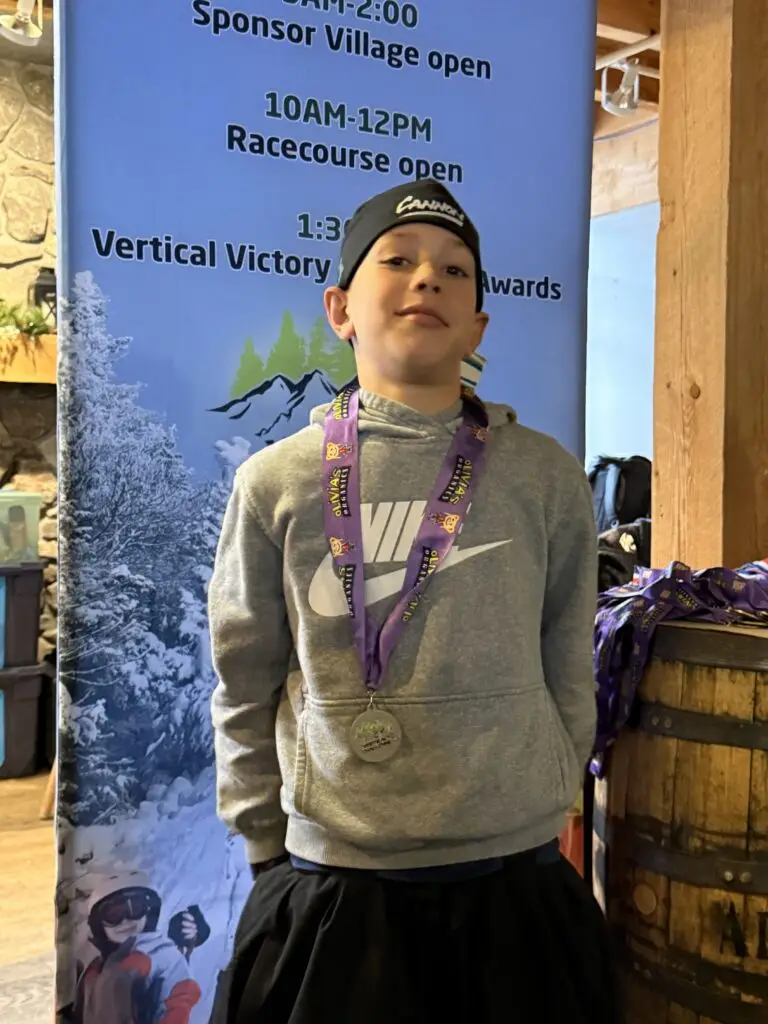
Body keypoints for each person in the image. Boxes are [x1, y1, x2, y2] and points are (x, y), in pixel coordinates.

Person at [207, 180, 622, 1023]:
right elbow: (243, 675)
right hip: (335, 884)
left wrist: (548, 780)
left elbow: (566, 653)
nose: (427, 278)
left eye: (454, 270)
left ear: (477, 327)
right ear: (340, 310)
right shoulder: (276, 482)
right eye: (396, 261)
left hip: (517, 881)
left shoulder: (545, 475)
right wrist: (263, 844)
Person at [61, 870, 209, 1024]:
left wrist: (183, 943)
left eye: (136, 908)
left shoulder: (157, 953)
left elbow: (179, 996)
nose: (125, 920)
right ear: (99, 923)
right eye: (113, 914)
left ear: (148, 912)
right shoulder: (94, 969)